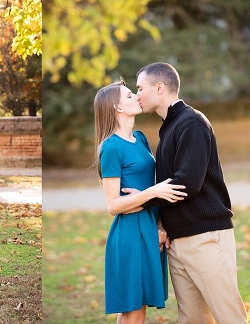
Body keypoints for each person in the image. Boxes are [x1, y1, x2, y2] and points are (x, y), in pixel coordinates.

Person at [135, 62, 248, 323]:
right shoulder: (169, 127)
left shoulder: (192, 122)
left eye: (140, 88)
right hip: (178, 241)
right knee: (192, 319)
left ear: (159, 88)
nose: (137, 94)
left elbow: (187, 183)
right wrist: (161, 222)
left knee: (230, 316)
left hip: (206, 238)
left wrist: (139, 199)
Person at [93, 79, 186, 323]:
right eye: (129, 95)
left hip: (149, 228)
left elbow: (149, 186)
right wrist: (152, 193)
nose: (137, 96)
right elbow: (113, 205)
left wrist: (159, 225)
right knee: (134, 310)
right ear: (117, 108)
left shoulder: (140, 138)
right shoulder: (111, 147)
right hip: (130, 233)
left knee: (135, 307)